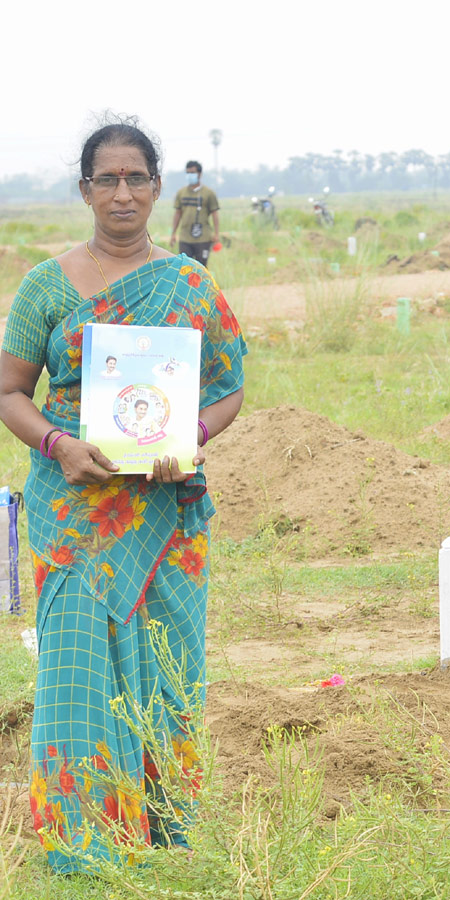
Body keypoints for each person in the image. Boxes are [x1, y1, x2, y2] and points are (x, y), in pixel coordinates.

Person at [0, 119, 246, 874]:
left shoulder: (191, 282)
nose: (122, 193)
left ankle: (164, 821)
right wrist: (57, 444)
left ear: (157, 188)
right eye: (106, 179)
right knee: (75, 660)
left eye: (136, 177)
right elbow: (11, 390)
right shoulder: (46, 284)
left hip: (165, 508)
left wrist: (192, 437)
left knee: (167, 659)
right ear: (84, 190)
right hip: (73, 502)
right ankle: (83, 837)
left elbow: (229, 385)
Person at [169, 160, 220, 266]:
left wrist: (216, 233)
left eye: (192, 172)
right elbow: (177, 213)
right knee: (185, 267)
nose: (190, 175)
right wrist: (173, 233)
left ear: (199, 174)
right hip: (185, 237)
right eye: (188, 173)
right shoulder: (181, 193)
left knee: (201, 267)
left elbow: (215, 214)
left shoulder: (209, 193)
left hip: (203, 238)